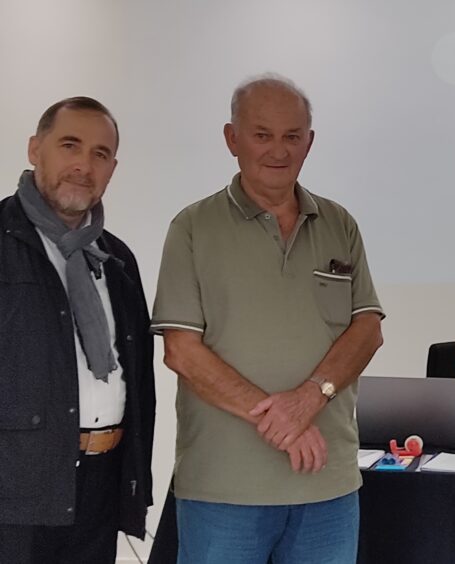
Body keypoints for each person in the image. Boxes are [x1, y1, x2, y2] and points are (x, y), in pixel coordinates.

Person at [151, 74, 384, 563]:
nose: (279, 150)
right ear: (232, 139)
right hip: (223, 489)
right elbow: (182, 352)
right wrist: (287, 420)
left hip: (327, 485)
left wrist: (310, 397)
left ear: (309, 142)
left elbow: (367, 331)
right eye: (262, 135)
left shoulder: (340, 224)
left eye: (292, 136)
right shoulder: (192, 227)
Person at [0, 97, 155, 563]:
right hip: (15, 491)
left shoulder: (117, 259)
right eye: (70, 145)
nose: (84, 165)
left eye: (100, 154)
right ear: (35, 149)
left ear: (112, 169)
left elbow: (140, 379)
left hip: (101, 482)